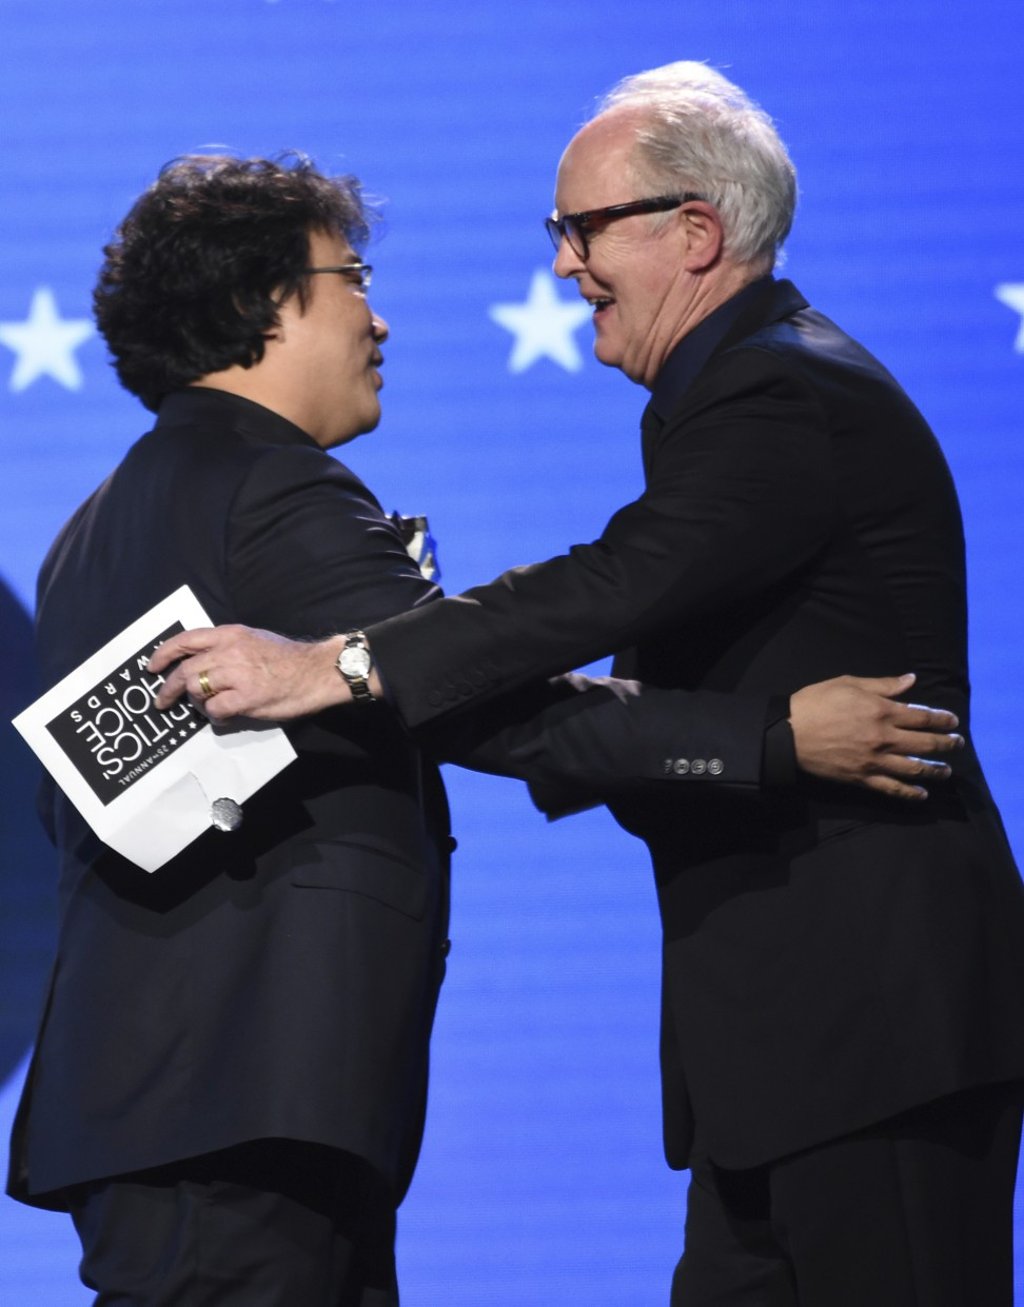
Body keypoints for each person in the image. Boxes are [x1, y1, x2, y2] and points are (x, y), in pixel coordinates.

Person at [7, 152, 957, 1306]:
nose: (380, 315)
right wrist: (764, 740)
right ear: (267, 301)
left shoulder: (94, 524)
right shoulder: (278, 491)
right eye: (351, 277)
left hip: (160, 1104)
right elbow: (495, 708)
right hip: (250, 1098)